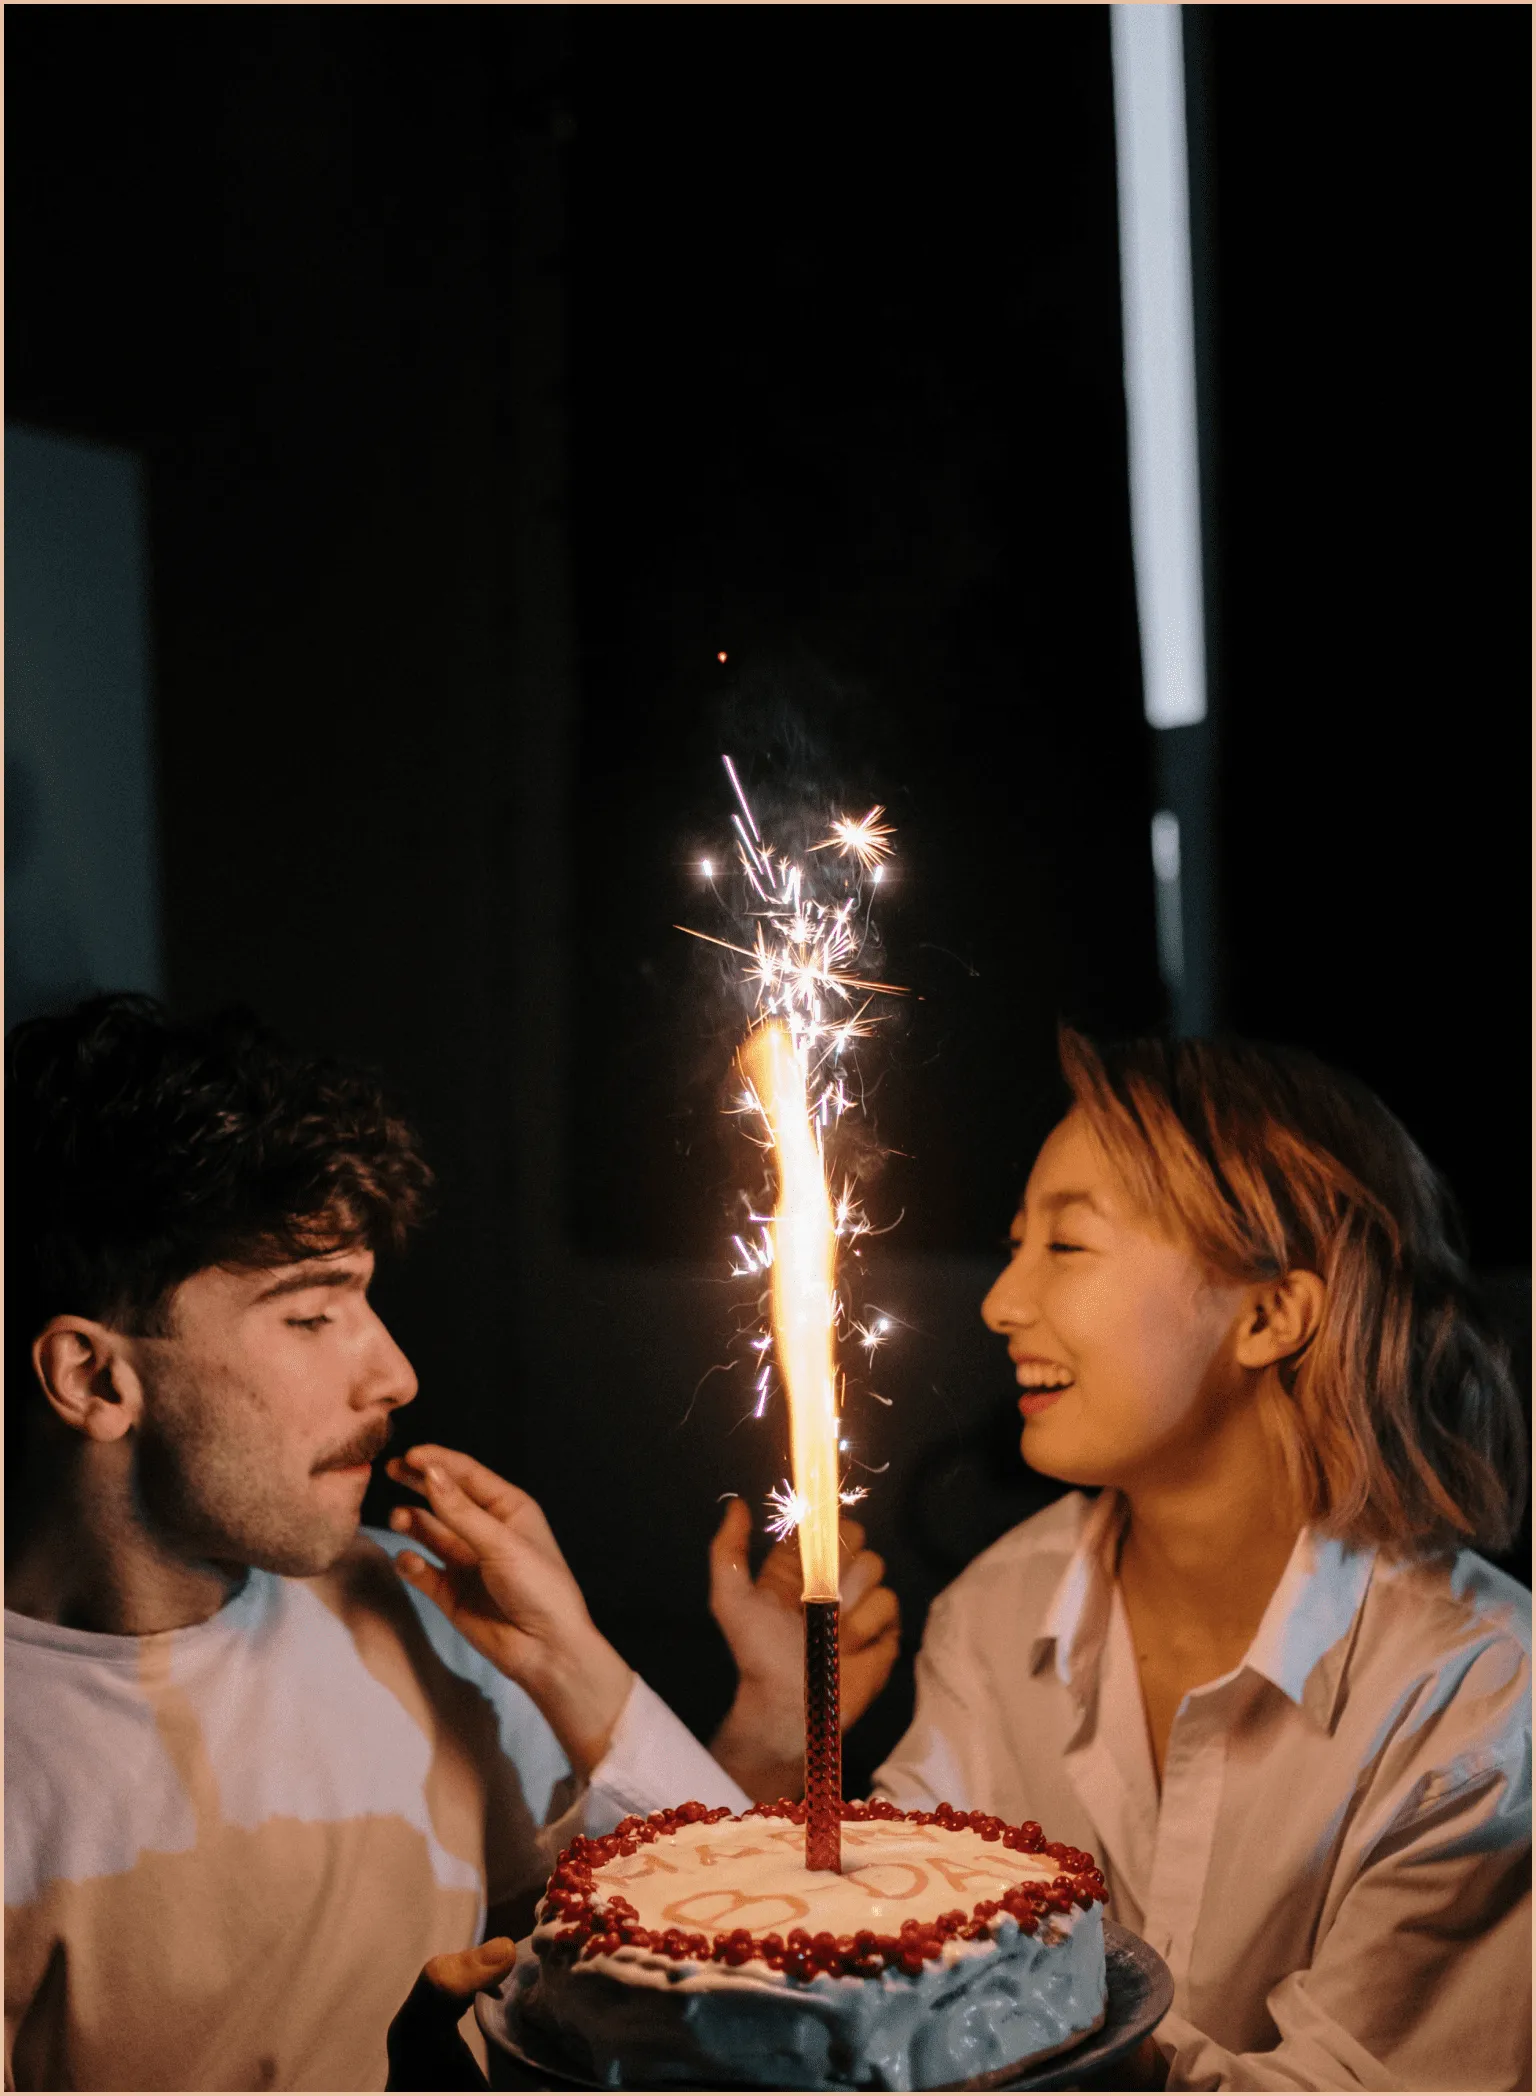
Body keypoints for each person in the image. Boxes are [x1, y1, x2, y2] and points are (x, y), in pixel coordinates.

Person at [3, 995, 898, 2093]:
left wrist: (732, 1727)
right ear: (96, 1378)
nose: (395, 1373)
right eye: (309, 1313)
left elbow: (633, 1936)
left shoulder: (405, 1598)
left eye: (366, 1297)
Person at [863, 1029, 1529, 2091]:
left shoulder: (1478, 1699)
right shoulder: (997, 1612)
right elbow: (873, 1966)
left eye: (1067, 1247)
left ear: (1269, 1311)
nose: (1001, 1302)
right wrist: (775, 1722)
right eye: (1015, 1242)